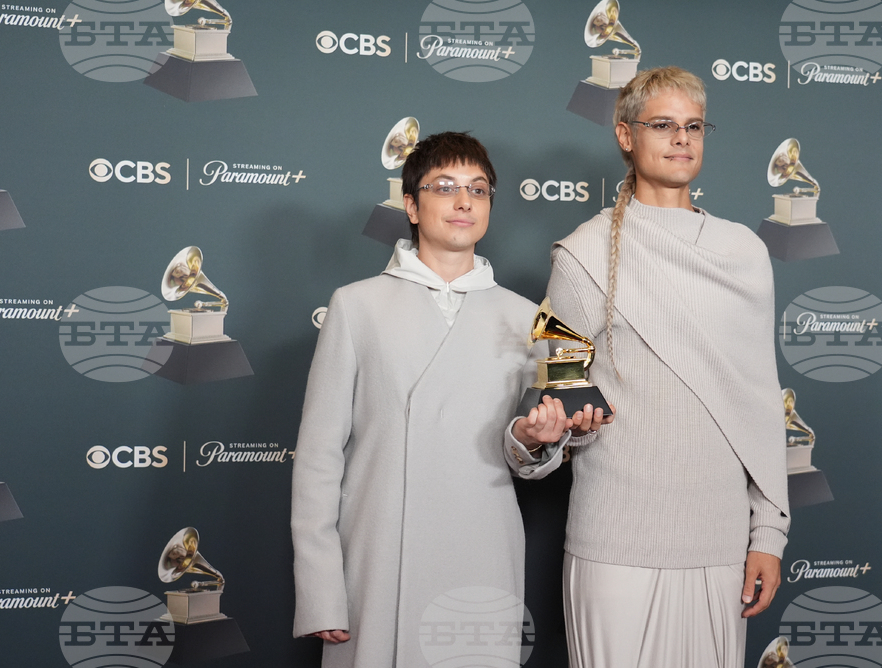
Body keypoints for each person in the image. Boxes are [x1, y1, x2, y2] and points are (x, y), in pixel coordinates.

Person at [290, 132, 605, 667]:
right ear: (412, 206)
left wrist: (535, 440)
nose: (464, 202)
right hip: (379, 555)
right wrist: (322, 590)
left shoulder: (528, 318)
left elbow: (527, 452)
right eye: (445, 187)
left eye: (478, 190)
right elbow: (319, 459)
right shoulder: (356, 306)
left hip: (481, 552)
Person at [546, 66, 791, 667]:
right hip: (615, 541)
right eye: (662, 125)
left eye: (694, 126)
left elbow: (761, 403)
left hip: (719, 542)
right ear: (626, 136)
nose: (682, 138)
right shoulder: (581, 254)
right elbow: (555, 389)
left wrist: (769, 533)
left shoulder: (745, 252)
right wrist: (565, 427)